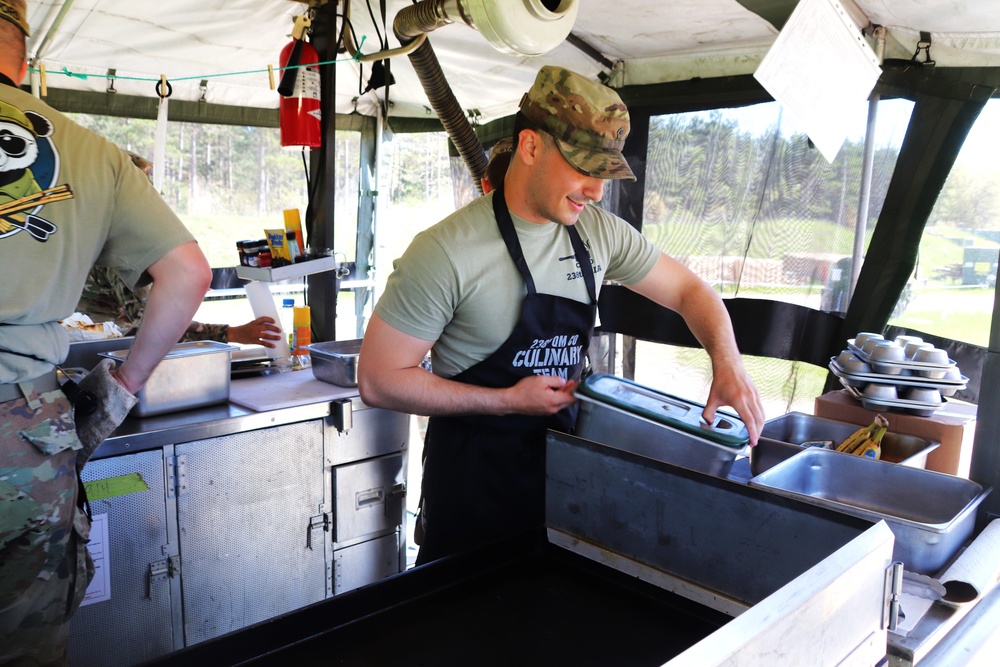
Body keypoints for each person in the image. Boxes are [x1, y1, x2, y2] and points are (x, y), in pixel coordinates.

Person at [358, 64, 765, 565]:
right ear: (530, 147)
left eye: (605, 174)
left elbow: (690, 290)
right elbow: (379, 380)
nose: (596, 192)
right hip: (472, 504)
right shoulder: (445, 252)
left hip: (569, 496)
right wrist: (507, 401)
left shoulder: (597, 233)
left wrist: (728, 363)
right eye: (584, 169)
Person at [0, 2, 213, 664]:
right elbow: (186, 272)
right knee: (27, 642)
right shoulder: (90, 153)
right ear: (26, 56)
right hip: (22, 433)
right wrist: (123, 385)